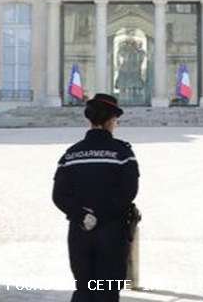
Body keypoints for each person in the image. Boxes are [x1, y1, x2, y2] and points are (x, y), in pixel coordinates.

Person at [52, 93, 140, 302]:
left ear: (90, 120)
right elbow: (128, 192)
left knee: (84, 288)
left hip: (80, 231)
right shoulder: (122, 153)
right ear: (111, 120)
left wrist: (83, 215)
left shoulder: (71, 154)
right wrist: (101, 214)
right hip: (111, 231)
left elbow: (59, 196)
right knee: (107, 290)